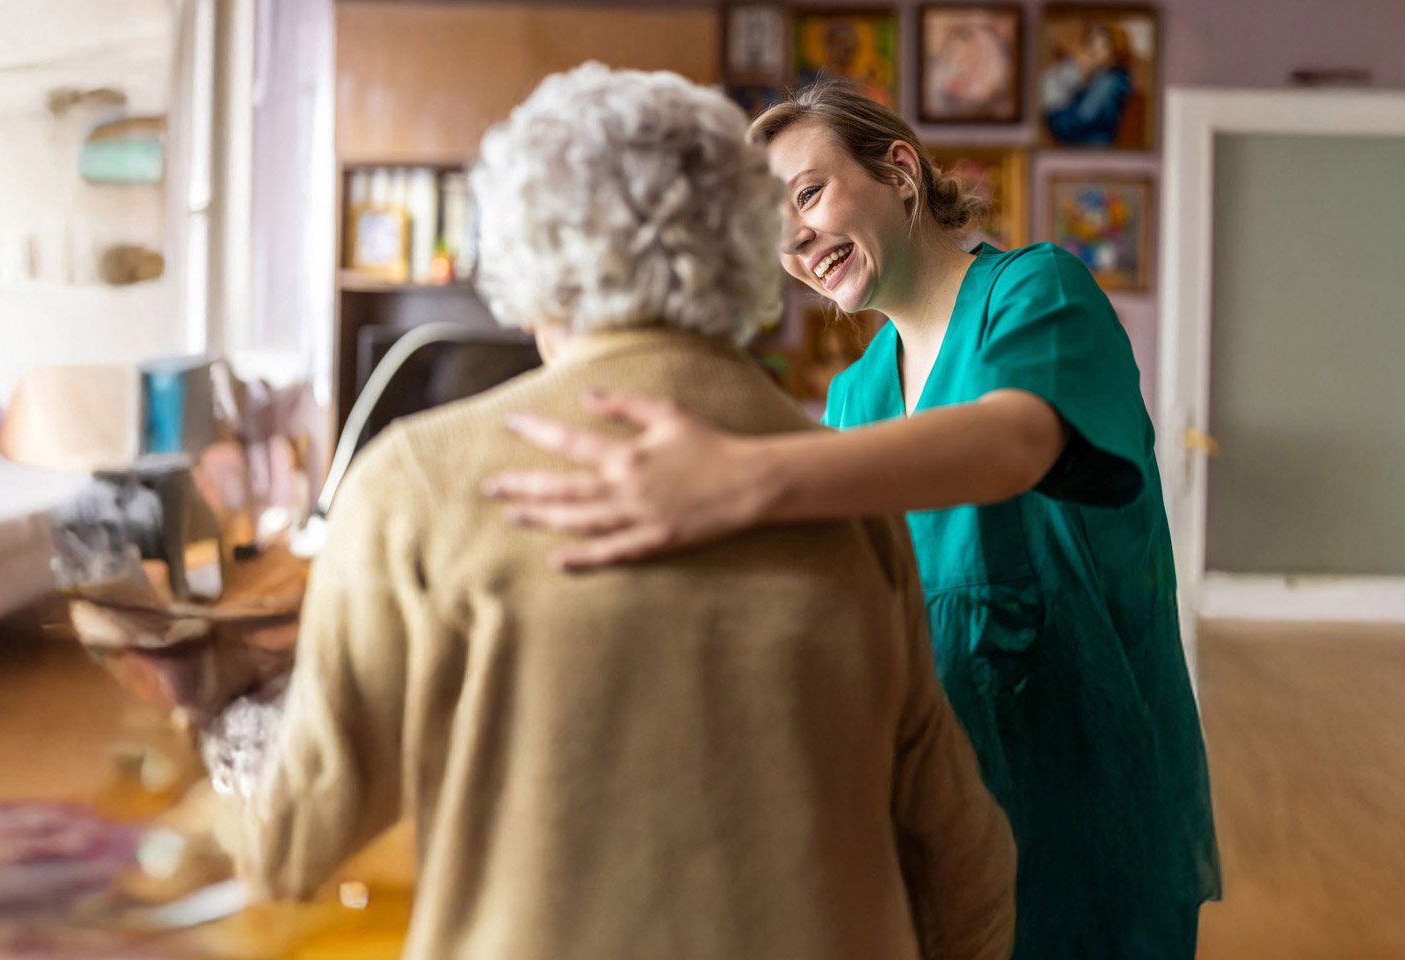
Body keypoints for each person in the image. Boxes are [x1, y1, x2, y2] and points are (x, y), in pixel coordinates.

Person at [209, 65, 1017, 960]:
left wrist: (210, 712)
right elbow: (963, 856)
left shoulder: (413, 484)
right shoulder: (846, 490)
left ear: (522, 251)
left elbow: (289, 839)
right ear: (745, 240)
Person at [485, 81, 1221, 960]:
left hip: (1085, 786)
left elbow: (1011, 440)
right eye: (772, 224)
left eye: (808, 193)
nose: (794, 238)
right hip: (939, 802)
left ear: (900, 172)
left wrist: (740, 473)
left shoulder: (1039, 293)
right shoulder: (853, 396)